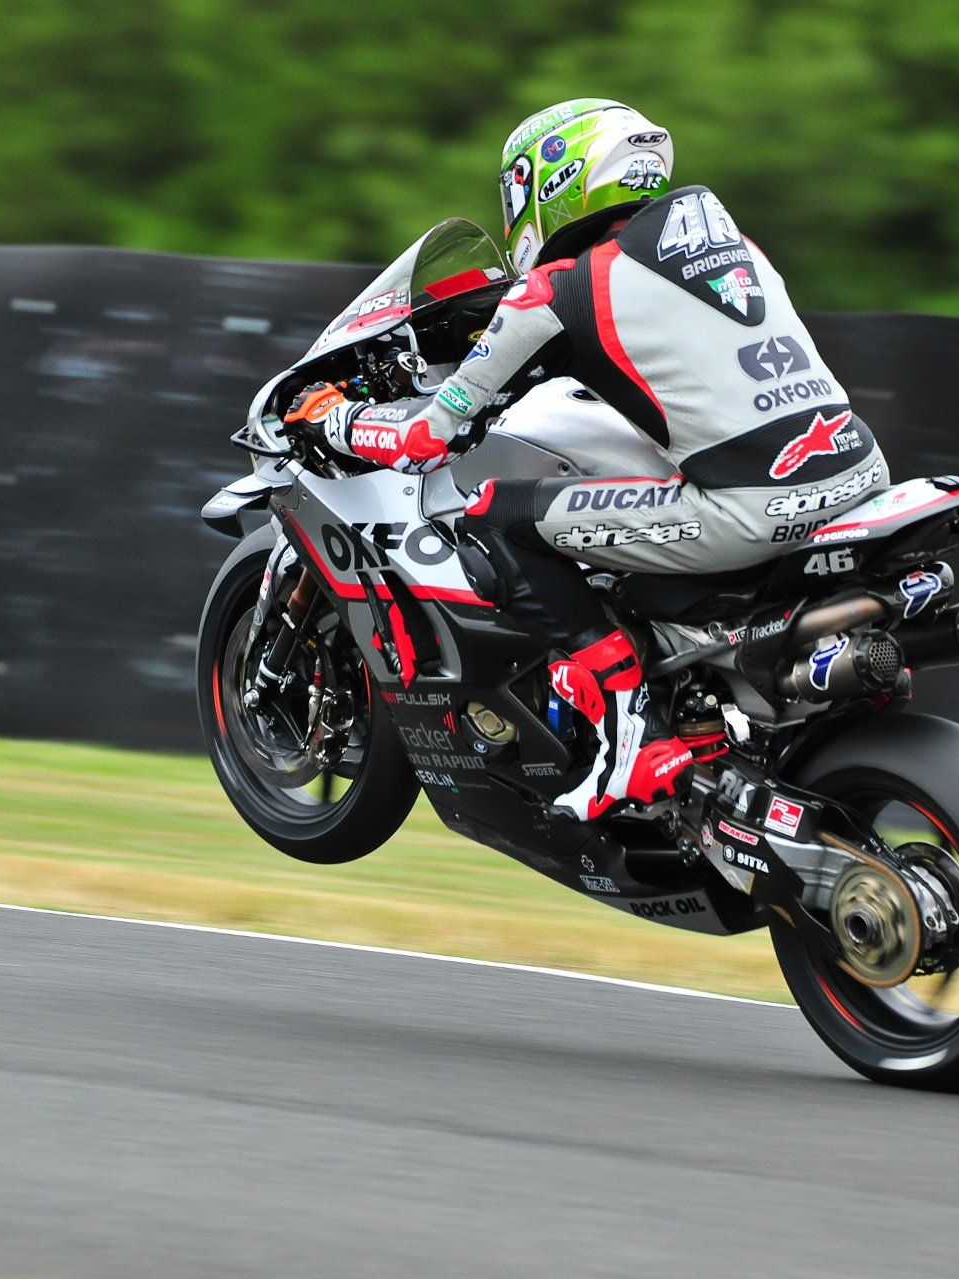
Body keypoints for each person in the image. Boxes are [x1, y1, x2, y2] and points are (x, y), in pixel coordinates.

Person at [283, 98, 886, 822]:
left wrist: (333, 416)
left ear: (555, 186)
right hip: (858, 475)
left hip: (749, 506)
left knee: (497, 516)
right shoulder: (732, 245)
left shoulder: (558, 288)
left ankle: (632, 734)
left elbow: (425, 441)